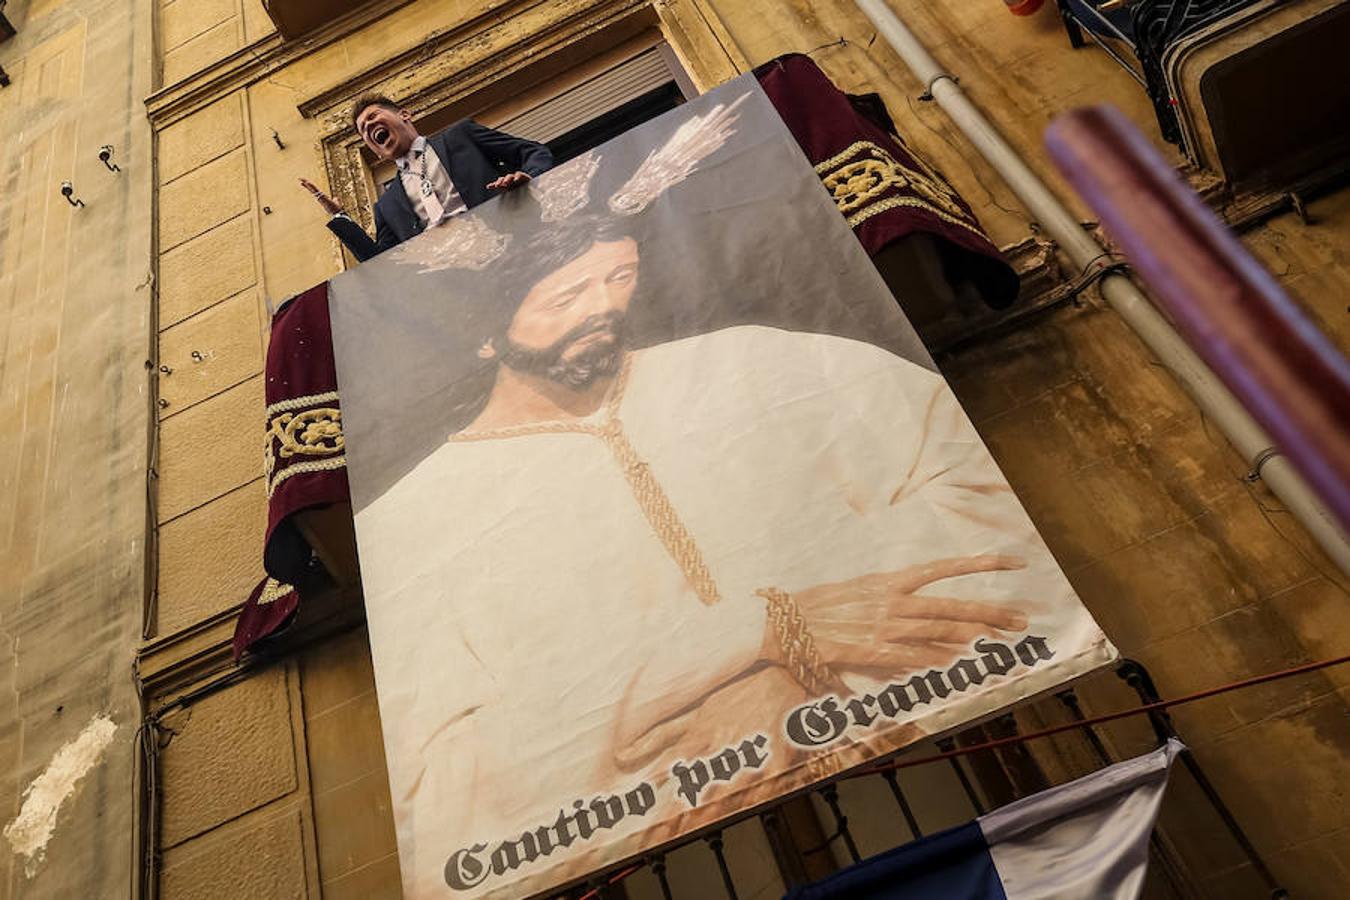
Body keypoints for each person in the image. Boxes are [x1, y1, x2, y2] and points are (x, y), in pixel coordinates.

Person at [354, 213, 1103, 899]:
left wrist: (808, 663)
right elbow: (442, 768)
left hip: (950, 794)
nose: (602, 309)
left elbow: (958, 482)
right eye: (564, 298)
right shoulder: (418, 524)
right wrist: (743, 643)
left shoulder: (770, 363)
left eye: (618, 279)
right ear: (486, 337)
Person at [299, 93, 553, 262]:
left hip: (518, 247)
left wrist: (527, 179)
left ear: (404, 115)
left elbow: (534, 153)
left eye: (372, 117)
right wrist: (340, 218)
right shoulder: (387, 206)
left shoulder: (461, 136)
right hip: (456, 284)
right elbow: (382, 263)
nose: (367, 127)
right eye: (363, 131)